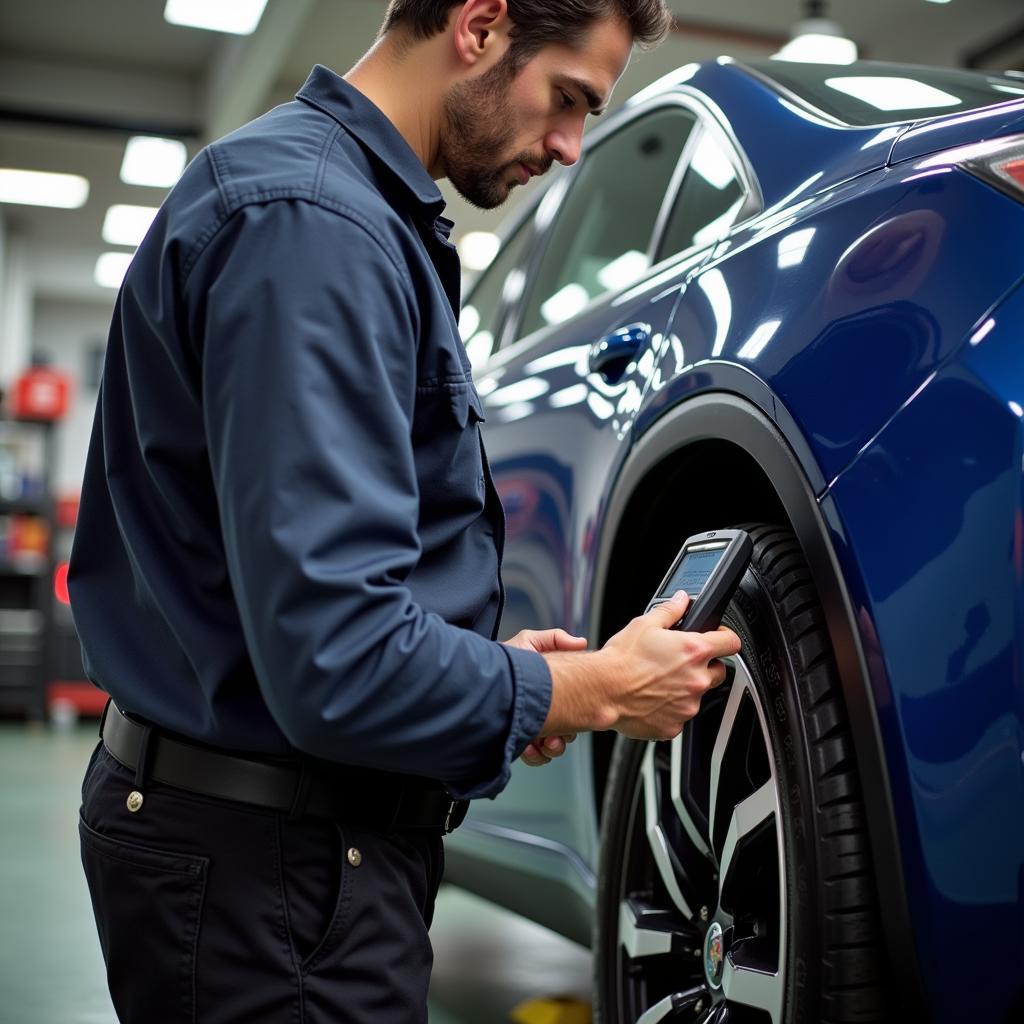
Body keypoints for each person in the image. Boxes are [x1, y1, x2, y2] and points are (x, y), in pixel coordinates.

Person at [69, 1, 742, 1020]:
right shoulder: (314, 230)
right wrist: (585, 689)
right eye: (565, 99)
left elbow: (294, 607)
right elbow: (334, 656)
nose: (568, 146)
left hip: (267, 844)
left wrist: (515, 675)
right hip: (272, 874)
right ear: (478, 23)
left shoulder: (330, 212)